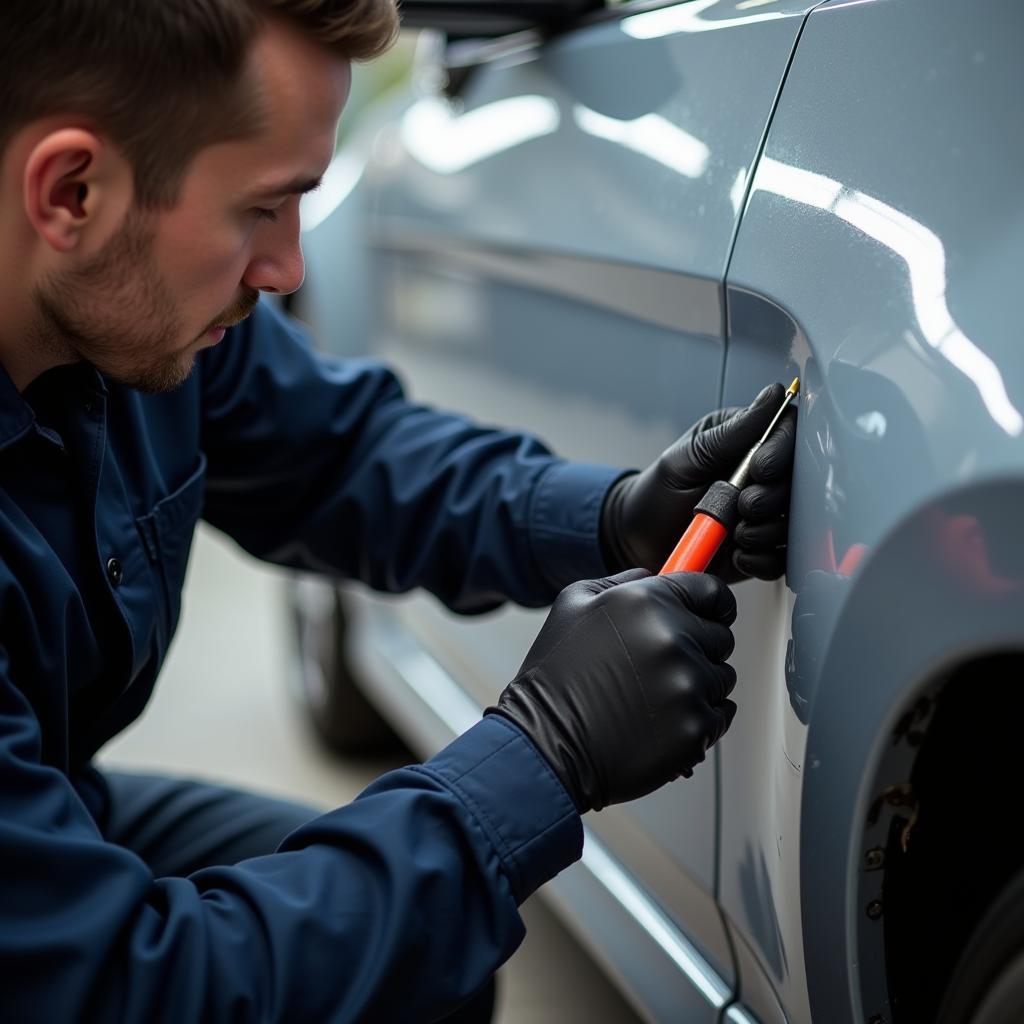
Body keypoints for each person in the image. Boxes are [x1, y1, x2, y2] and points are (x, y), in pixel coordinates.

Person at [0, 2, 797, 1021]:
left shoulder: (124, 308)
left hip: (47, 814)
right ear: (70, 191)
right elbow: (125, 989)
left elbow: (339, 454)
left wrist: (613, 516)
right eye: (261, 209)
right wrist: (543, 748)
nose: (286, 268)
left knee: (420, 957)